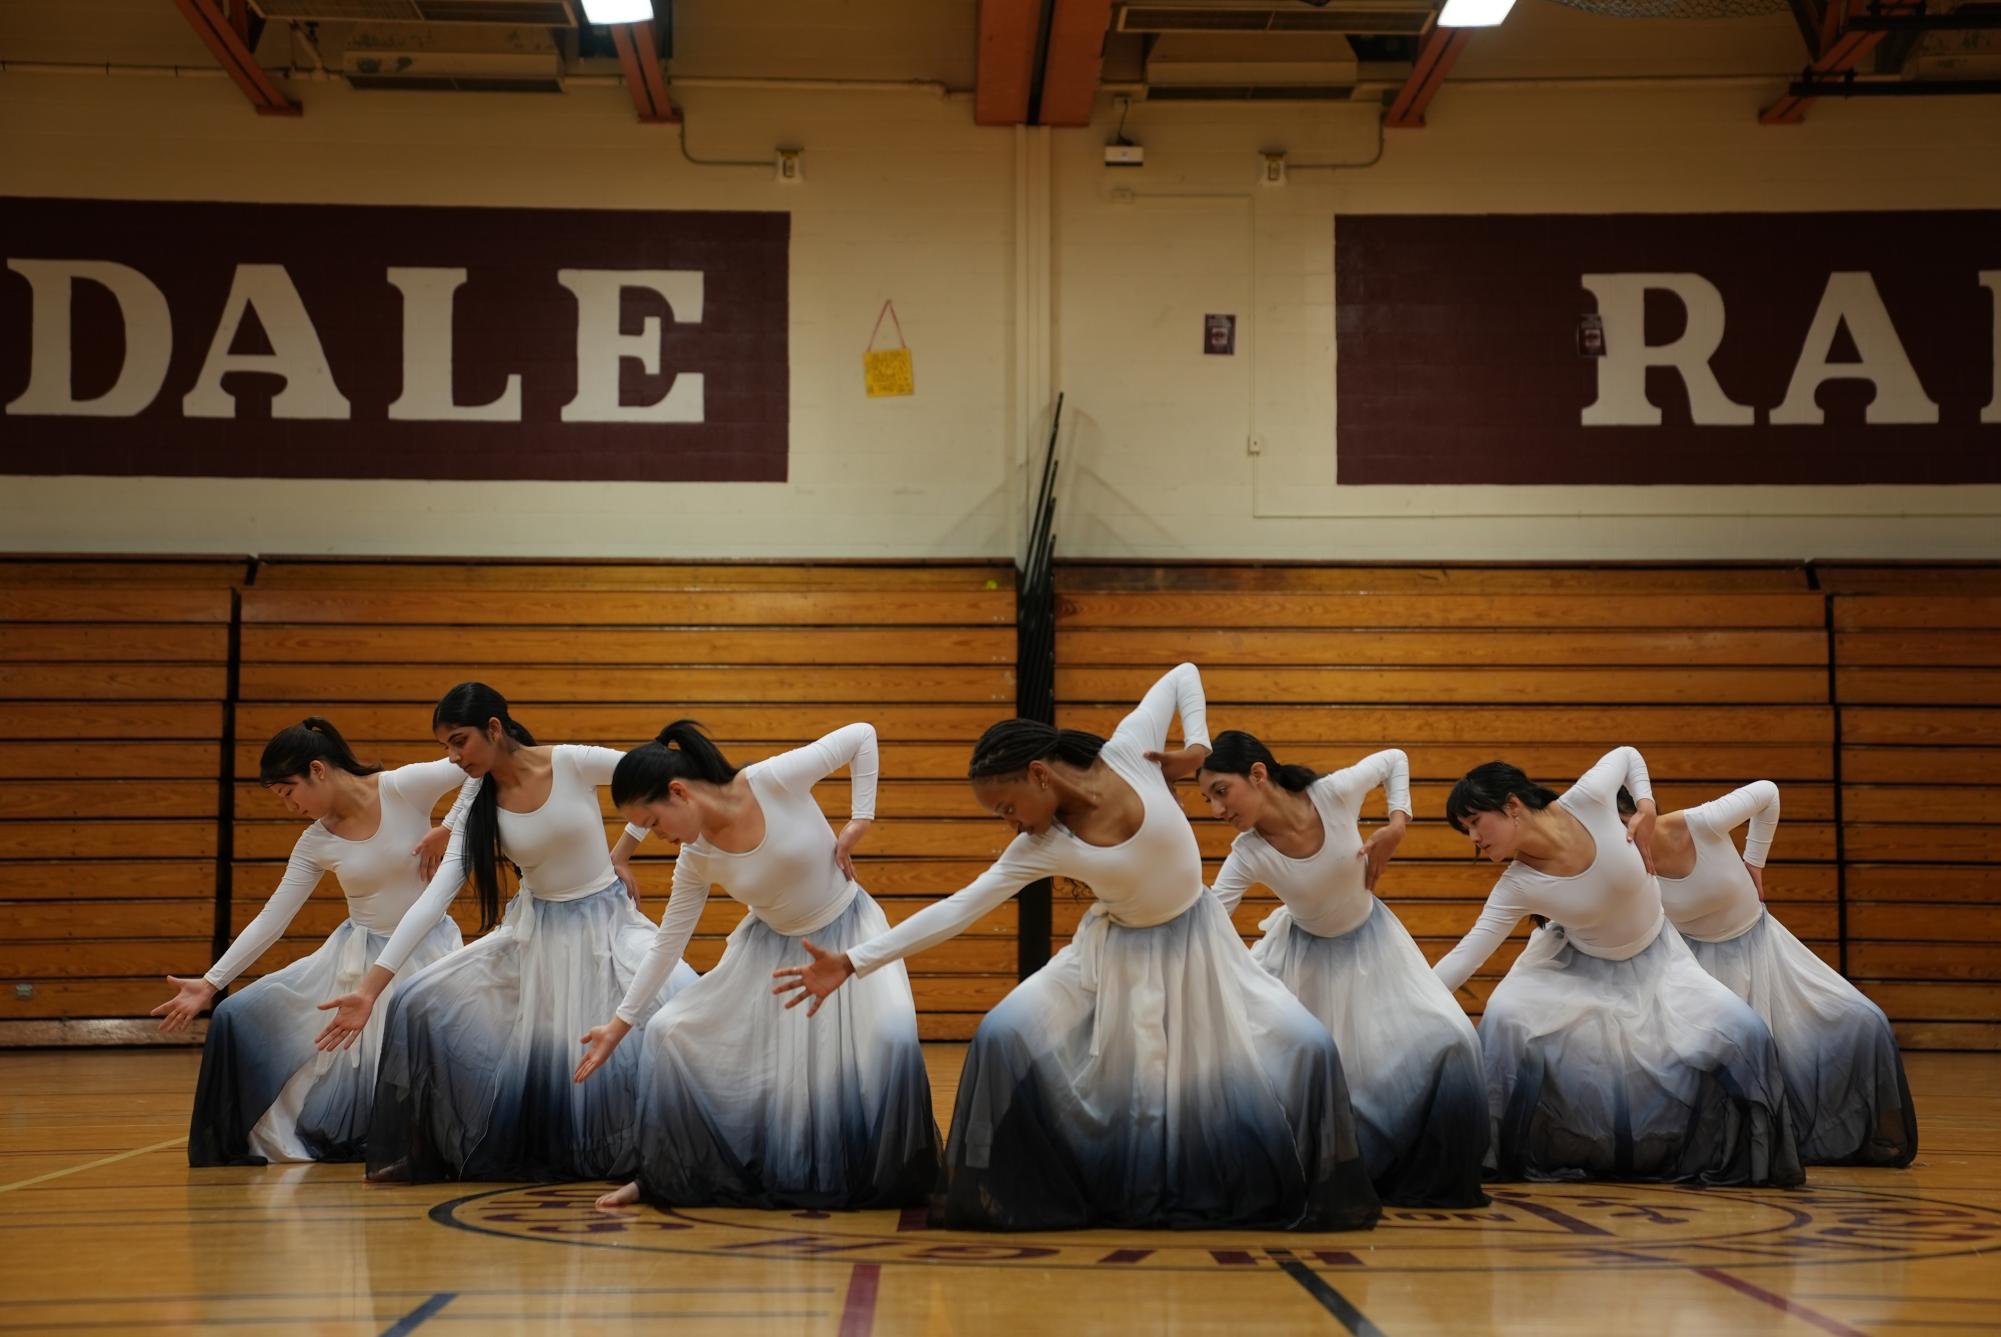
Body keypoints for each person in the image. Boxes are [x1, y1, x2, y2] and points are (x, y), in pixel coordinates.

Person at [774, 664, 1380, 1231]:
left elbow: (1183, 676)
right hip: (1107, 954)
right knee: (1000, 1033)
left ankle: (1312, 1184)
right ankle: (1011, 1191)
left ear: (1041, 773)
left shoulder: (1130, 752)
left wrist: (1196, 744)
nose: (1011, 824)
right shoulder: (1042, 845)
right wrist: (854, 961)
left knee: (1310, 1048)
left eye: (1008, 807)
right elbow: (959, 907)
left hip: (1203, 949)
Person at [316, 682, 697, 1182]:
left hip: (607, 923)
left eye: (460, 741)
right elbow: (434, 897)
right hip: (532, 934)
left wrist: (623, 851)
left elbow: (660, 776)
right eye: (445, 748)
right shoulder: (477, 800)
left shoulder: (571, 762)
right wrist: (369, 990)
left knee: (683, 1000)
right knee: (418, 1001)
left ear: (494, 728)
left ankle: (672, 1152)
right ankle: (428, 1150)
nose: (453, 758)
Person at [580, 720, 939, 1210]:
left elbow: (863, 735)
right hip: (770, 955)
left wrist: (861, 818)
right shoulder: (695, 857)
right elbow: (667, 944)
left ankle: (900, 1177)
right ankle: (660, 1175)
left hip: (848, 935)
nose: (651, 835)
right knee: (669, 1032)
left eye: (651, 821)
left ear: (678, 792)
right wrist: (619, 1026)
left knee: (893, 1037)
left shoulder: (770, 780)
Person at [1436, 748, 1802, 1186]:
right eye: (1466, 830)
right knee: (1504, 1018)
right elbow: (1466, 955)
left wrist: (1645, 807)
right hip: (1573, 969)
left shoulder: (1588, 798)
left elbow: (1628, 755)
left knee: (1746, 1032)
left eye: (1475, 821)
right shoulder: (1516, 884)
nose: (1473, 836)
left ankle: (1746, 1160)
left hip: (1661, 962)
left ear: (1512, 805)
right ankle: (1495, 1156)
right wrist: (1416, 998)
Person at [161, 719, 467, 1165]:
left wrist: (450, 826)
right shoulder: (315, 841)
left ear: (318, 770)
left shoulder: (404, 787)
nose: (289, 806)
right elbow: (273, 918)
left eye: (289, 792)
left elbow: (478, 766)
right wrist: (210, 983)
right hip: (356, 959)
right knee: (234, 1016)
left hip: (428, 953)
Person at [1204, 733, 1488, 1206]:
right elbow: (1212, 915)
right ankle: (1323, 1172)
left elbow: (1395, 758)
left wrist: (1398, 825)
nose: (1216, 809)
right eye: (1208, 799)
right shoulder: (1248, 851)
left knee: (1453, 1037)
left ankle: (1425, 1174)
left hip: (1377, 948)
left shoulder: (1332, 794)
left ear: (1257, 774)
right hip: (1302, 962)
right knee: (1313, 1070)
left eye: (1220, 792)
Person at [1626, 781, 1916, 1166]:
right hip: (1699, 973)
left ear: (1642, 815)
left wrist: (1755, 860)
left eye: (1624, 828)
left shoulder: (1701, 822)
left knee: (1865, 1021)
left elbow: (1768, 792)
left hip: (1766, 950)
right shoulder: (1626, 867)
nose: (1622, 842)